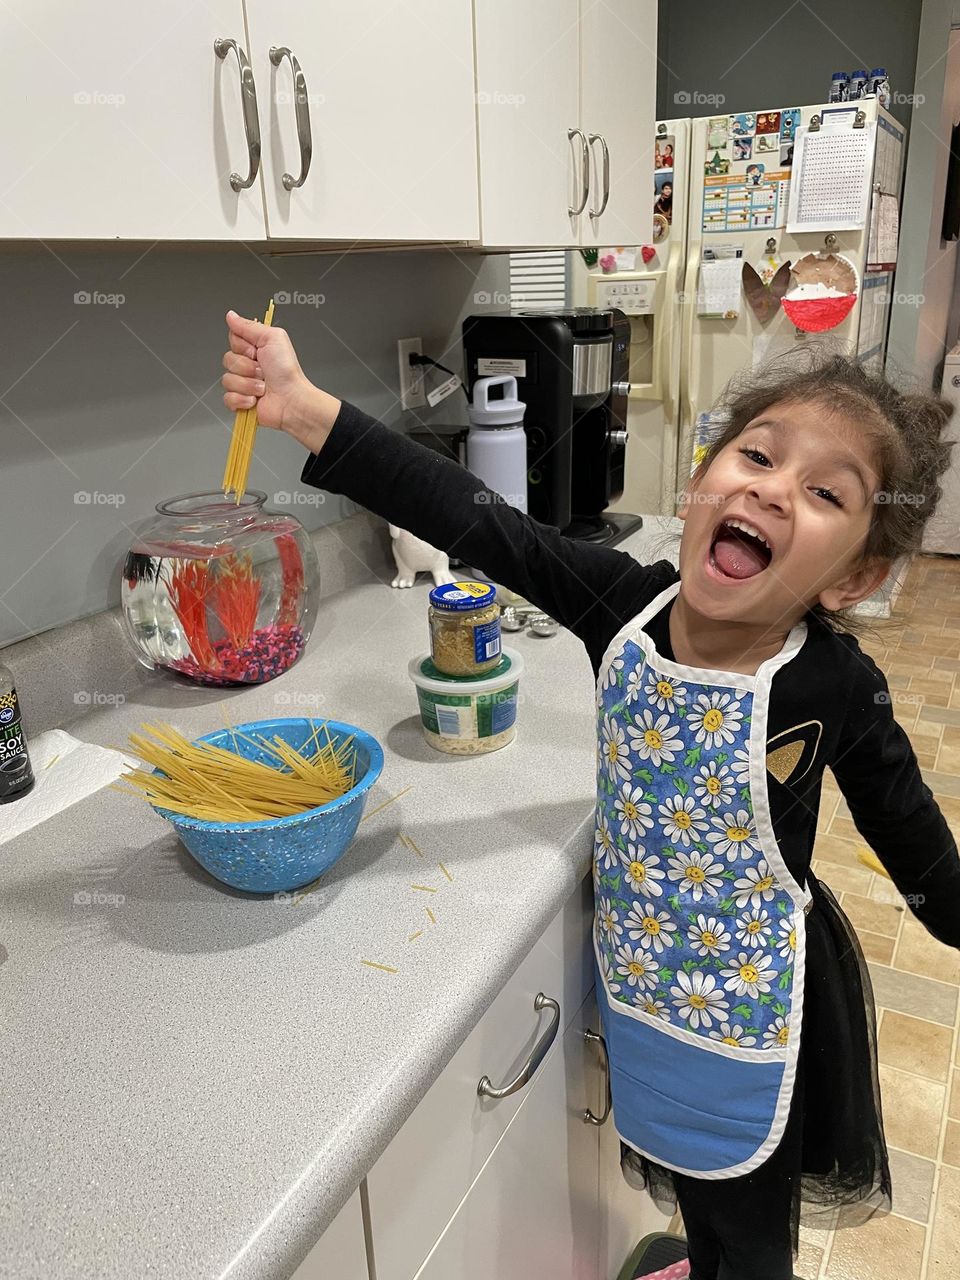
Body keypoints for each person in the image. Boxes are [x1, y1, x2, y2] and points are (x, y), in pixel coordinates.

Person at [220, 312, 960, 1280]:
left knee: (749, 1230)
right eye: (758, 455)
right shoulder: (622, 605)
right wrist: (309, 410)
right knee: (694, 1192)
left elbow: (920, 850)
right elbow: (474, 518)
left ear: (855, 573)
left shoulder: (836, 686)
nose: (774, 489)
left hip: (757, 1011)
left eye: (825, 492)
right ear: (700, 485)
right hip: (646, 985)